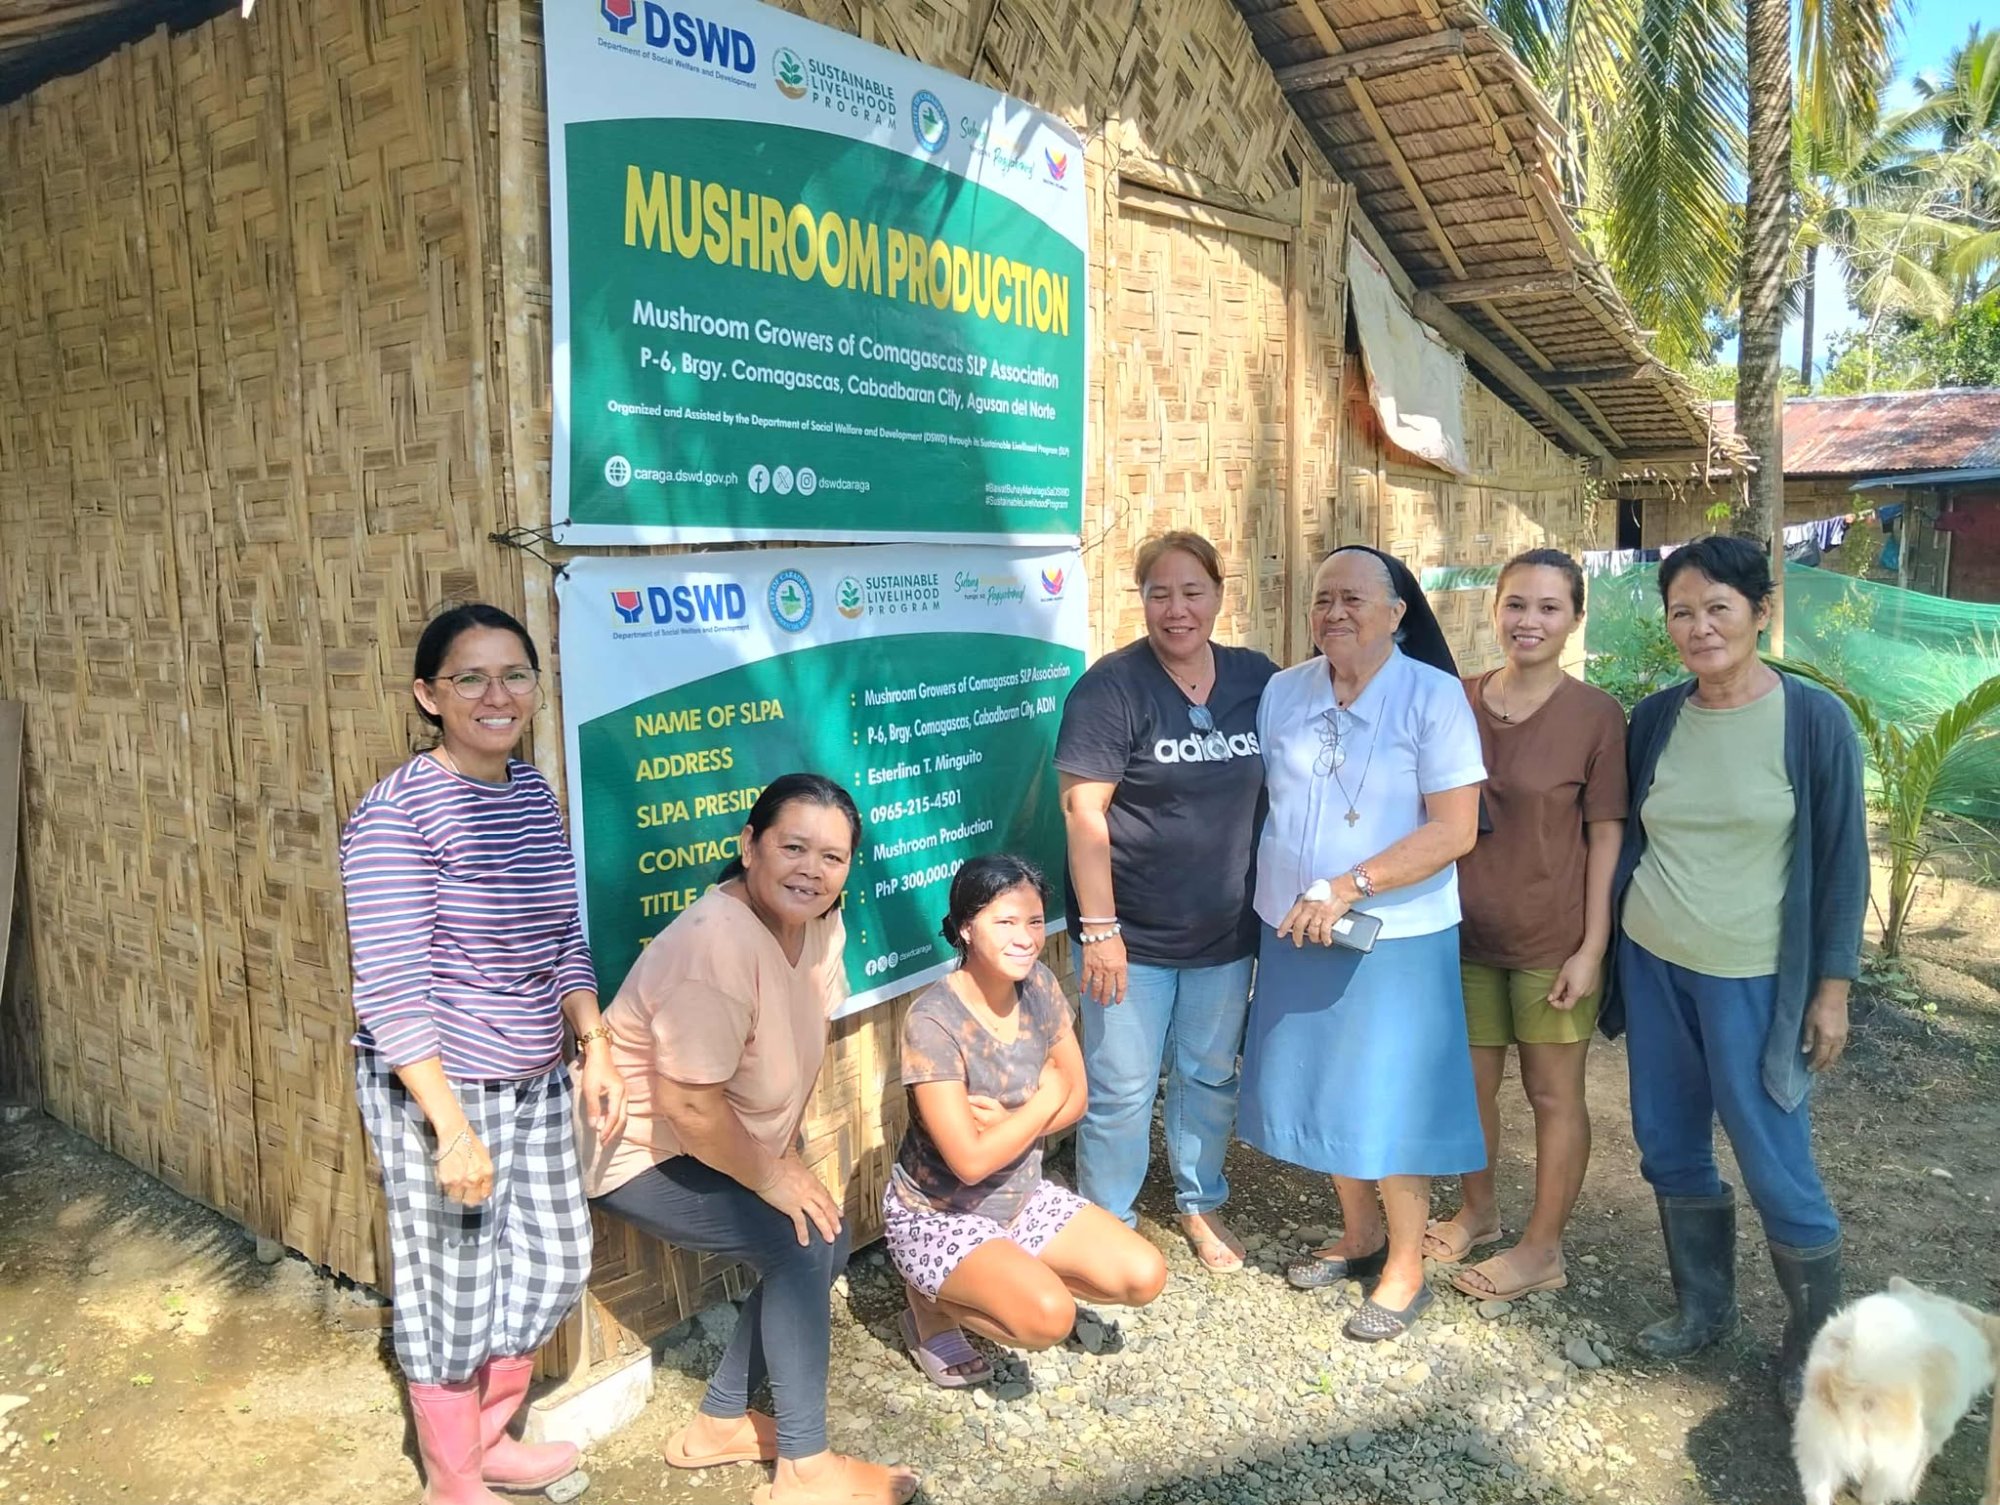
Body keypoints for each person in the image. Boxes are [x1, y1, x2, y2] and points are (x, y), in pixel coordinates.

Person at [340, 603, 623, 1505]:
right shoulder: (395, 816)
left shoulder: (530, 793)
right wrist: (452, 1129)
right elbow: (391, 990)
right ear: (429, 694)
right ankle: (453, 1478)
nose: (497, 695)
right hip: (441, 1084)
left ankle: (491, 1438)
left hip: (535, 1074)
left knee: (555, 1260)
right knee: (453, 1282)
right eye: (471, 677)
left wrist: (594, 1042)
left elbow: (564, 936)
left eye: (515, 675)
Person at [582, 775, 917, 1505]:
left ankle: (718, 1422)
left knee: (821, 1233)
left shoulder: (820, 923)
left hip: (711, 1138)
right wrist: (769, 1174)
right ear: (748, 846)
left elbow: (803, 1034)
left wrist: (781, 1155)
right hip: (639, 1150)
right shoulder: (717, 944)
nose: (811, 870)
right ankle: (804, 1470)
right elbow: (688, 1104)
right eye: (793, 847)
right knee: (799, 1244)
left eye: (831, 856)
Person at [1600, 535, 1867, 1411]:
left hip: (1754, 979)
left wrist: (1832, 989)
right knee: (1668, 1139)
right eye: (1682, 611)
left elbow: (1843, 863)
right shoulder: (1656, 718)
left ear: (1761, 610)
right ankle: (1703, 1307)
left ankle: (1813, 1349)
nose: (1700, 627)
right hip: (1653, 963)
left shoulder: (1812, 721)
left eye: (1719, 607)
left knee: (1774, 1157)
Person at [1241, 545, 1487, 1342]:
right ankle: (1359, 1233)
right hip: (1295, 923)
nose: (1334, 612)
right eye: (1323, 599)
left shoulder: (1433, 696)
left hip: (1395, 936)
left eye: (1353, 598)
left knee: (1390, 1100)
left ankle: (1406, 1266)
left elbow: (1454, 830)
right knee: (1329, 1088)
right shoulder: (1284, 690)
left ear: (1397, 613)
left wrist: (1351, 884)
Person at [1055, 530, 1279, 1272]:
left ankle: (1200, 1203)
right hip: (1131, 937)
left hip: (1225, 932)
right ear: (1142, 600)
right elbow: (1083, 812)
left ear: (1219, 594)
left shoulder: (1256, 679)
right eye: (1160, 594)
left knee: (1209, 1075)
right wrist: (1100, 931)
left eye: (1192, 592)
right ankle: (1108, 1221)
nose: (1176, 609)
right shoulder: (1112, 688)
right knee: (1121, 1087)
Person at [1426, 549, 1628, 1303]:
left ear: (1575, 618)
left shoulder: (1596, 715)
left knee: (1552, 1095)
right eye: (1516, 603)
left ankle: (1543, 1247)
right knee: (1470, 1087)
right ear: (1494, 609)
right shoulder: (1456, 700)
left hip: (1553, 940)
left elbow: (1606, 837)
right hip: (1463, 933)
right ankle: (1478, 1210)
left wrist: (1592, 946)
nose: (1529, 621)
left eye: (1549, 607)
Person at [887, 854, 1169, 1386]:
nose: (1025, 938)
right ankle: (929, 1303)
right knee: (1049, 1320)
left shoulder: (1036, 984)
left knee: (1144, 1275)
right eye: (1006, 922)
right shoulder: (933, 1021)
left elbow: (1078, 1099)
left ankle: (1004, 1276)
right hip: (942, 1213)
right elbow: (970, 1162)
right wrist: (1042, 1102)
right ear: (966, 928)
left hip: (1022, 1195)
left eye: (1035, 921)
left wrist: (1009, 1124)